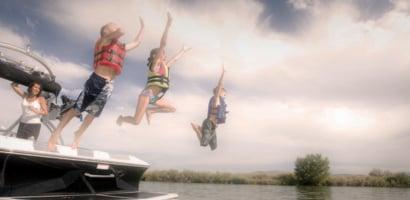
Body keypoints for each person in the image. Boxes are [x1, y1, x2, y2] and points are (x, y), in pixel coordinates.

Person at [48, 18, 145, 150]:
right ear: (106, 32)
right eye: (113, 27)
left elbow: (137, 42)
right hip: (96, 81)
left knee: (93, 113)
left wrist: (143, 27)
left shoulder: (121, 47)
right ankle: (56, 133)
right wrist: (119, 29)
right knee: (77, 109)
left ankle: (79, 134)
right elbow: (121, 31)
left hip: (109, 85)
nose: (117, 28)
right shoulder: (103, 41)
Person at [117, 13, 190, 126]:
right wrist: (167, 26)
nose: (164, 56)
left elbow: (175, 59)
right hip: (147, 95)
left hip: (155, 97)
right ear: (156, 56)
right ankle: (122, 118)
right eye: (162, 54)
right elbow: (163, 44)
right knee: (136, 121)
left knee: (172, 109)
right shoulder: (154, 65)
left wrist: (183, 50)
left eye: (164, 55)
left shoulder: (165, 66)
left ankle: (150, 111)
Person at [190, 66, 227, 151]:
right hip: (208, 124)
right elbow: (220, 84)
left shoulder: (219, 101)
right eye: (224, 95)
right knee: (204, 143)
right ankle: (198, 129)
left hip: (213, 127)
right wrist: (223, 74)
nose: (224, 97)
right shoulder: (216, 99)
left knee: (214, 147)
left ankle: (201, 130)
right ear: (219, 92)